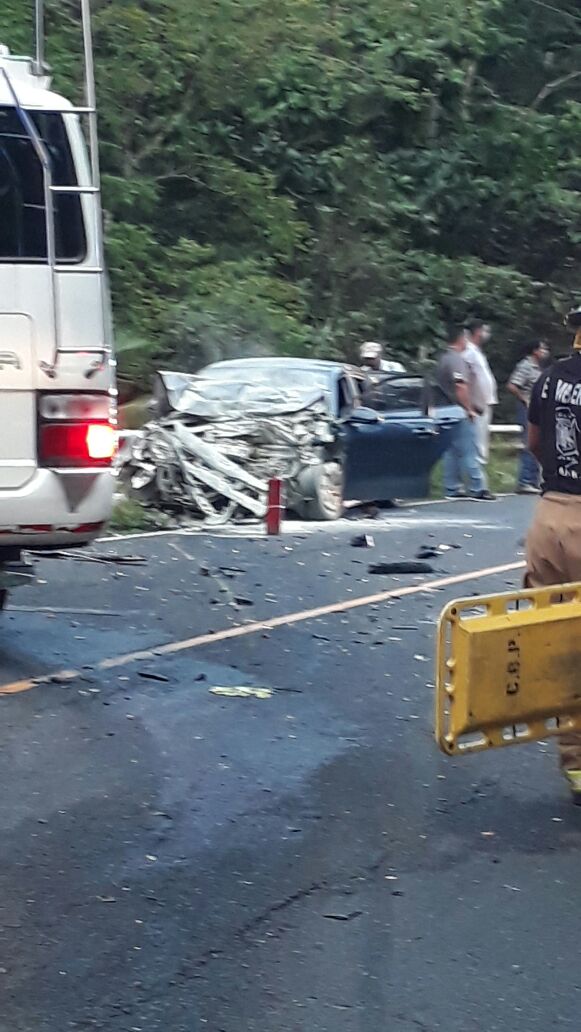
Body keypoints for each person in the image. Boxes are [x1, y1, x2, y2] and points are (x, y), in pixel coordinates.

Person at [526, 314, 581, 799]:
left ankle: (575, 762)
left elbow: (534, 444)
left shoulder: (547, 380)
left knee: (558, 642)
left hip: (548, 518)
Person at [436, 326, 495, 500]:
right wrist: (469, 409)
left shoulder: (444, 358)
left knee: (452, 451)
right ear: (461, 339)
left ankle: (451, 487)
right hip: (459, 410)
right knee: (470, 449)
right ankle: (478, 487)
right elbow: (460, 386)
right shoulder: (456, 360)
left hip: (446, 409)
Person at [507, 341, 549, 494]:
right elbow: (512, 385)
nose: (545, 351)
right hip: (527, 409)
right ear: (535, 351)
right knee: (529, 442)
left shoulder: (538, 367)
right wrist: (525, 399)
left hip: (538, 409)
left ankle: (533, 480)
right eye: (543, 349)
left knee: (539, 442)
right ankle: (524, 481)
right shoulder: (526, 366)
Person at [464, 320, 498, 486]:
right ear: (478, 332)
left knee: (482, 441)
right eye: (485, 331)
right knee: (476, 443)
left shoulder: (476, 352)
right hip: (476, 404)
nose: (487, 334)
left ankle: (478, 480)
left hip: (484, 403)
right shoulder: (468, 352)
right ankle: (476, 483)